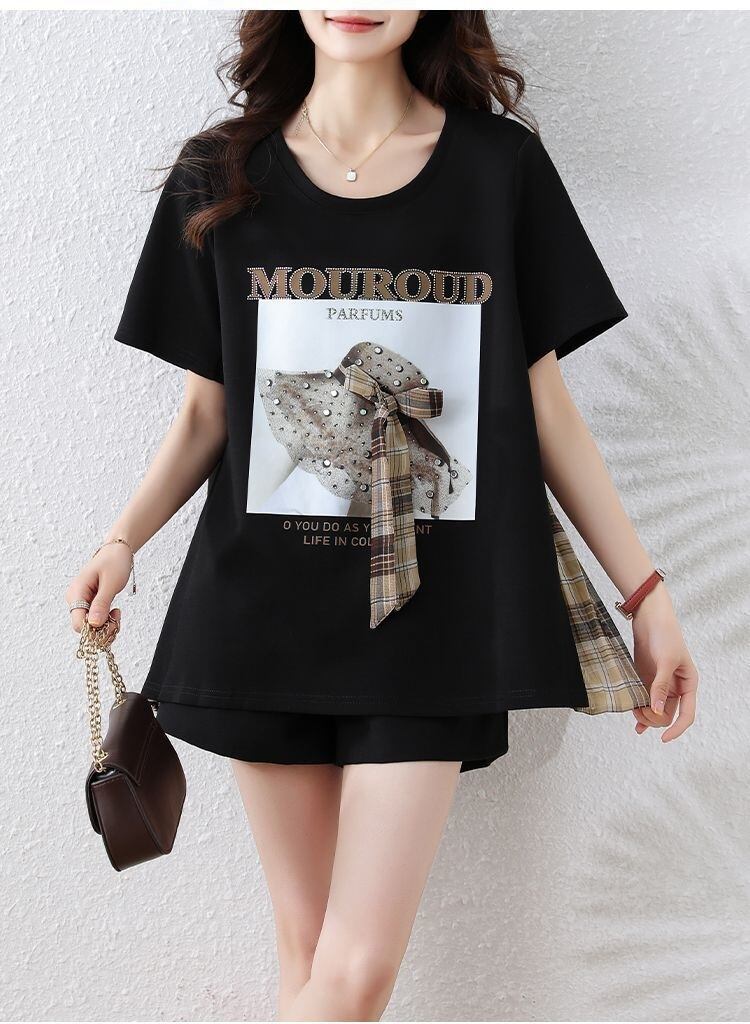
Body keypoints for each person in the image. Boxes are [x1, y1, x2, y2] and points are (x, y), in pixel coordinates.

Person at [65, 11, 699, 1022]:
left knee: (352, 973)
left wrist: (646, 591)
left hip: (436, 616)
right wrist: (121, 540)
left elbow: (547, 411)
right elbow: (206, 415)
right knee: (309, 955)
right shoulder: (219, 174)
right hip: (262, 611)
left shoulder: (497, 171)